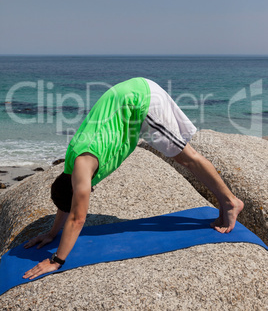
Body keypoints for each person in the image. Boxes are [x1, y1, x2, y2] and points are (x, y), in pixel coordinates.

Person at [23, 77, 244, 280]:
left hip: (140, 101)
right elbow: (70, 203)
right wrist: (53, 233)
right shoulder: (73, 168)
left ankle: (230, 201)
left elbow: (77, 218)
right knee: (181, 155)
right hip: (127, 96)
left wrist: (57, 261)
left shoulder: (82, 164)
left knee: (186, 157)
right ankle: (225, 201)